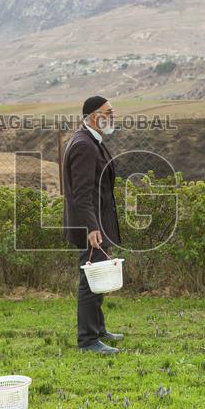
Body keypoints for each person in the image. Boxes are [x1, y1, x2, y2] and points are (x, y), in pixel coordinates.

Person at [61, 95, 124, 354]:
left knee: (99, 277)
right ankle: (87, 340)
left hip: (97, 222)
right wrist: (92, 228)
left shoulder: (92, 141)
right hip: (92, 226)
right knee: (91, 281)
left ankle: (98, 330)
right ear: (93, 116)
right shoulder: (84, 146)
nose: (112, 115)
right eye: (108, 111)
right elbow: (82, 193)